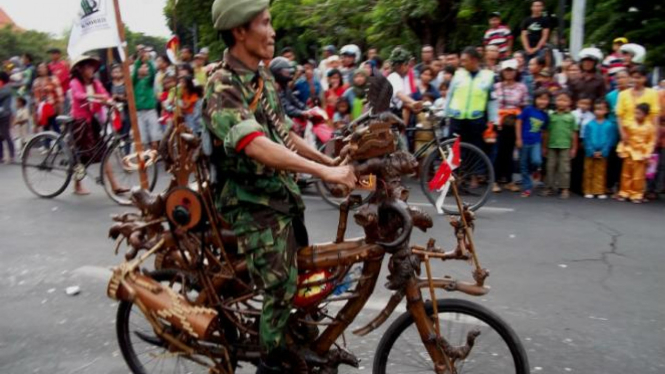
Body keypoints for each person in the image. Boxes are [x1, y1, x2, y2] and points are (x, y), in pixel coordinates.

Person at [207, 2, 356, 372]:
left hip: (280, 197)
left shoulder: (262, 78)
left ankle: (297, 341)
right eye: (265, 23)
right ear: (240, 30)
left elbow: (284, 134)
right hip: (248, 202)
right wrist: (324, 175)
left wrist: (328, 163)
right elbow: (255, 143)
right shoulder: (221, 84)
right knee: (281, 287)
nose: (273, 32)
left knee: (308, 278)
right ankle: (271, 363)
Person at [69, 56, 126, 195]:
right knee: (81, 156)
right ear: (81, 69)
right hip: (79, 121)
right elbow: (78, 95)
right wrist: (97, 97)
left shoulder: (95, 83)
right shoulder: (75, 82)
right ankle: (77, 185)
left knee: (103, 151)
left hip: (92, 120)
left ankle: (114, 185)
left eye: (91, 67)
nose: (91, 70)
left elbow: (105, 95)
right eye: (88, 67)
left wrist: (111, 103)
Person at [446, 46, 497, 150]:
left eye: (465, 60)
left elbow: (492, 100)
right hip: (457, 120)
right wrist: (445, 115)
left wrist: (492, 120)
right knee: (454, 152)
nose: (462, 63)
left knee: (475, 151)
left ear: (474, 60)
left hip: (476, 121)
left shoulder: (488, 76)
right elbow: (449, 95)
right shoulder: (458, 75)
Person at [494, 59, 529, 193]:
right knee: (498, 152)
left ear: (516, 72)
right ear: (502, 72)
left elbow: (524, 105)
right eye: (506, 70)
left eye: (511, 70)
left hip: (514, 123)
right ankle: (495, 180)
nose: (509, 73)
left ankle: (509, 180)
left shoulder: (521, 87)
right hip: (499, 122)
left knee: (510, 152)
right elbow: (492, 104)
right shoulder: (497, 86)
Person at [616, 103, 657, 203]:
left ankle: (636, 194)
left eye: (639, 113)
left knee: (638, 176)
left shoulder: (650, 127)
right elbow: (625, 138)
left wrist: (647, 154)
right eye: (635, 113)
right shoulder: (629, 124)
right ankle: (624, 192)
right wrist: (621, 149)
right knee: (626, 174)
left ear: (645, 115)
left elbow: (651, 142)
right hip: (629, 151)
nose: (636, 115)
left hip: (641, 154)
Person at [542, 91, 578, 199]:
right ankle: (549, 187)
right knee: (550, 166)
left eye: (565, 100)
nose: (561, 103)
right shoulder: (551, 115)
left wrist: (574, 147)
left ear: (570, 102)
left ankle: (564, 188)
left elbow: (574, 132)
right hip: (552, 145)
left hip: (565, 145)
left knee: (564, 168)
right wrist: (544, 146)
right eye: (559, 100)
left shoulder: (571, 117)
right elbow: (546, 132)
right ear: (555, 101)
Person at [516, 89, 550, 197]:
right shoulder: (528, 110)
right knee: (523, 165)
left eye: (545, 99)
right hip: (524, 141)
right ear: (535, 99)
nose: (542, 102)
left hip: (536, 142)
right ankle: (527, 188)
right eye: (540, 99)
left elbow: (545, 132)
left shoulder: (545, 115)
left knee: (537, 161)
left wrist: (544, 147)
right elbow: (519, 122)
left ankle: (535, 171)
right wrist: (518, 138)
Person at [606, 69, 630, 194]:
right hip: (613, 127)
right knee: (612, 155)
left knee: (625, 156)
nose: (621, 80)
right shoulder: (610, 96)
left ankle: (622, 184)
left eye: (624, 77)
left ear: (629, 79)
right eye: (618, 78)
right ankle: (610, 184)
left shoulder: (631, 94)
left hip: (628, 128)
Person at [583, 100, 613, 199]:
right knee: (588, 171)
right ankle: (588, 190)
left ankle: (599, 190)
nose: (598, 111)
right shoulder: (589, 124)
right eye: (596, 109)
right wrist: (591, 151)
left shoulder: (609, 125)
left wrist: (603, 151)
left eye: (601, 109)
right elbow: (586, 139)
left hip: (602, 153)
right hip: (590, 152)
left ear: (606, 111)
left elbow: (609, 140)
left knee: (600, 172)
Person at [132, 49, 161, 150]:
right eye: (142, 67)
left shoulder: (149, 81)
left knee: (154, 137)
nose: (144, 69)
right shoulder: (135, 82)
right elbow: (135, 72)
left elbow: (153, 72)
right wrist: (139, 60)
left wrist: (147, 60)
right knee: (142, 139)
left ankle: (155, 156)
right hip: (139, 113)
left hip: (150, 111)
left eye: (146, 67)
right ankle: (144, 159)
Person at [32, 62, 64, 135]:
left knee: (56, 128)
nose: (40, 69)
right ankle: (47, 145)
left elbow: (60, 94)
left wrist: (59, 107)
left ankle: (60, 145)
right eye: (39, 68)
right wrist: (35, 112)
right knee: (45, 130)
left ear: (47, 69)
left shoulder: (53, 79)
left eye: (42, 67)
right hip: (42, 110)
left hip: (53, 108)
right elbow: (34, 98)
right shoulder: (36, 82)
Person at [110, 64, 130, 153]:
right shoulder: (109, 84)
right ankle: (121, 150)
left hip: (126, 109)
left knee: (126, 131)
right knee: (118, 131)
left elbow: (130, 98)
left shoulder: (126, 83)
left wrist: (120, 97)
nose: (117, 73)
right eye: (114, 72)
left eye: (118, 71)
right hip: (115, 111)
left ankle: (127, 153)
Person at [0, 72, 14, 164]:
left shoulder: (6, 89)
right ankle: (0, 156)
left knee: (6, 135)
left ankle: (11, 155)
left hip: (4, 115)